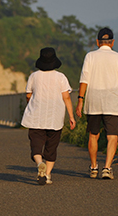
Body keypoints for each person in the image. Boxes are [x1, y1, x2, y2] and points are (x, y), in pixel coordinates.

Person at [76, 27, 118, 180]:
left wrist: (80, 100)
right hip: (111, 101)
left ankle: (93, 167)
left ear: (97, 42)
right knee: (112, 136)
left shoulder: (90, 56)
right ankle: (107, 168)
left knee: (94, 135)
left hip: (93, 100)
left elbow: (84, 79)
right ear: (112, 42)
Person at [21, 47, 76, 185]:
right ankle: (47, 174)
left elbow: (28, 95)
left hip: (36, 117)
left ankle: (40, 163)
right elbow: (67, 98)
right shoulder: (61, 77)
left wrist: (31, 103)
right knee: (51, 148)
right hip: (55, 117)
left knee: (36, 145)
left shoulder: (34, 76)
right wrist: (71, 116)